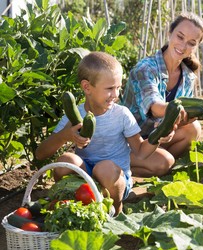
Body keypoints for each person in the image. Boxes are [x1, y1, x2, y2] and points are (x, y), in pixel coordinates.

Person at [35, 51, 174, 215]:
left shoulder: (121, 114)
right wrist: (65, 135)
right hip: (85, 178)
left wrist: (159, 136)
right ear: (87, 87)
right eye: (109, 89)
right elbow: (40, 154)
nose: (115, 95)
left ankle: (116, 211)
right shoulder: (75, 114)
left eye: (118, 88)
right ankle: (72, 205)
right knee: (66, 161)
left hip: (115, 179)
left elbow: (141, 151)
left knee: (104, 169)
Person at [121, 11, 203, 178]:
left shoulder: (187, 77)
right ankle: (112, 167)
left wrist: (180, 121)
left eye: (191, 43)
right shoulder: (146, 68)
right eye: (180, 37)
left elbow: (173, 121)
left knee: (193, 128)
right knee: (164, 162)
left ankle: (160, 166)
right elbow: (155, 107)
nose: (183, 46)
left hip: (154, 137)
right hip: (128, 140)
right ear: (170, 33)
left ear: (196, 46)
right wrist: (174, 112)